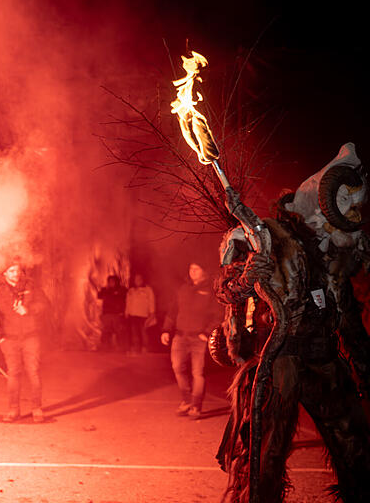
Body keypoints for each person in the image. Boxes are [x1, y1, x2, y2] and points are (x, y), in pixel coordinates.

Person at [214, 143, 370, 502]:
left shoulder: (334, 257)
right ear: (321, 208)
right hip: (278, 364)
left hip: (324, 362)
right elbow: (226, 290)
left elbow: (347, 317)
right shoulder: (269, 239)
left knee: (356, 450)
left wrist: (363, 363)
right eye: (349, 205)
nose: (356, 216)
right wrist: (247, 278)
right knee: (264, 462)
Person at [0, 260, 49, 423]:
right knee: (13, 373)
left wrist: (28, 310)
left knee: (33, 372)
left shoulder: (31, 286)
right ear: (4, 274)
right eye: (11, 271)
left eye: (17, 270)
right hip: (10, 339)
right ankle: (13, 409)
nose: (15, 274)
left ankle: (37, 408)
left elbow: (45, 304)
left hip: (31, 336)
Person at [160, 262, 220, 417]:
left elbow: (218, 315)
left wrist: (207, 333)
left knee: (197, 372)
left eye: (196, 269)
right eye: (190, 269)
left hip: (198, 338)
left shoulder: (210, 291)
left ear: (204, 272)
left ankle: (196, 405)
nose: (192, 272)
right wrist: (166, 330)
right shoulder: (183, 289)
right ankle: (186, 400)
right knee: (178, 368)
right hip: (180, 336)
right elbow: (173, 311)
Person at [125, 274, 155, 354]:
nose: (137, 281)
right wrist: (127, 312)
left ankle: (145, 347)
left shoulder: (148, 290)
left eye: (139, 279)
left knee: (144, 332)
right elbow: (128, 302)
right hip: (133, 315)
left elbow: (152, 302)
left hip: (144, 315)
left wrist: (152, 313)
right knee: (134, 332)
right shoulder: (131, 290)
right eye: (136, 279)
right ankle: (136, 347)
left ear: (142, 280)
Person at [96, 275, 127, 351]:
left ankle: (121, 348)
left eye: (113, 281)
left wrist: (122, 312)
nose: (111, 283)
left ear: (116, 282)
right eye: (110, 282)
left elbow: (125, 296)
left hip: (117, 314)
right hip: (107, 314)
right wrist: (102, 289)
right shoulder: (105, 290)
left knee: (119, 331)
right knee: (106, 331)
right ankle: (106, 347)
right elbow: (98, 296)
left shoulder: (121, 290)